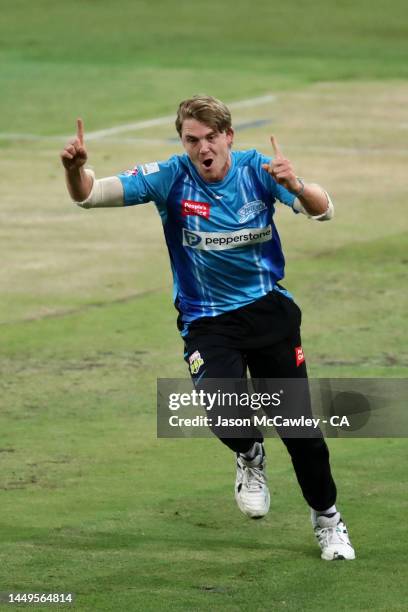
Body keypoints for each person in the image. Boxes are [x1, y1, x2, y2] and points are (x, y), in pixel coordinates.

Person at [60, 95, 355, 561]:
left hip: (268, 315)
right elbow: (89, 196)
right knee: (222, 411)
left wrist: (296, 185)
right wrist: (75, 170)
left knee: (300, 432)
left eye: (211, 137)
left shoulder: (258, 170)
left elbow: (324, 210)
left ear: (229, 137)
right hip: (207, 321)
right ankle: (250, 454)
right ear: (183, 142)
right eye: (192, 140)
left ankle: (329, 521)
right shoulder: (171, 177)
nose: (203, 149)